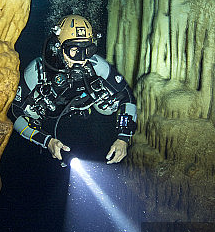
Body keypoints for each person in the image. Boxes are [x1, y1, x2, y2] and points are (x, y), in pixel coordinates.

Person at [11, 15, 137, 164]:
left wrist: (123, 138)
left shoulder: (96, 65)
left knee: (109, 106)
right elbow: (15, 112)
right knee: (30, 112)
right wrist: (46, 141)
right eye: (74, 50)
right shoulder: (39, 70)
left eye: (88, 50)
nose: (82, 59)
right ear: (59, 47)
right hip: (50, 115)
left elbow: (127, 96)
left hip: (86, 107)